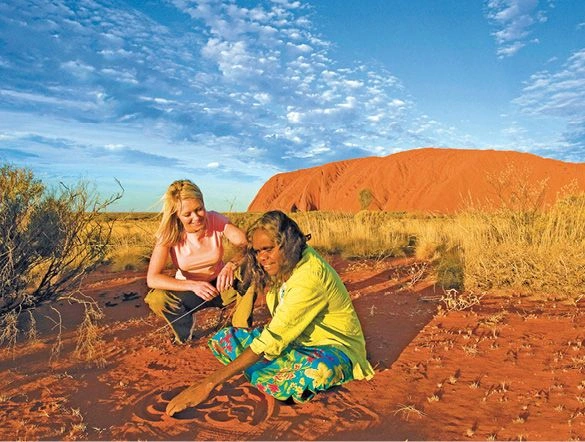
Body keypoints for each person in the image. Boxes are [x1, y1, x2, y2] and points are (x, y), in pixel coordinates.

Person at [166, 210, 374, 415]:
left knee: (315, 372)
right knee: (225, 338)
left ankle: (264, 369)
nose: (262, 258)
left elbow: (273, 337)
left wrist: (207, 384)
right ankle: (267, 368)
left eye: (268, 249)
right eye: (257, 251)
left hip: (333, 346)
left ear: (288, 244)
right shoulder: (286, 263)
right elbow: (276, 332)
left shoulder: (309, 277)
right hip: (295, 339)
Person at [145, 179, 254, 344]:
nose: (196, 217)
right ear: (176, 215)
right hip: (191, 291)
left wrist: (231, 265)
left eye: (199, 209)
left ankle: (239, 332)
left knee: (253, 272)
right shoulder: (169, 233)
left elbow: (247, 244)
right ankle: (185, 330)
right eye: (187, 214)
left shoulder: (215, 220)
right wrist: (193, 285)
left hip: (221, 285)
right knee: (157, 298)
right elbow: (152, 278)